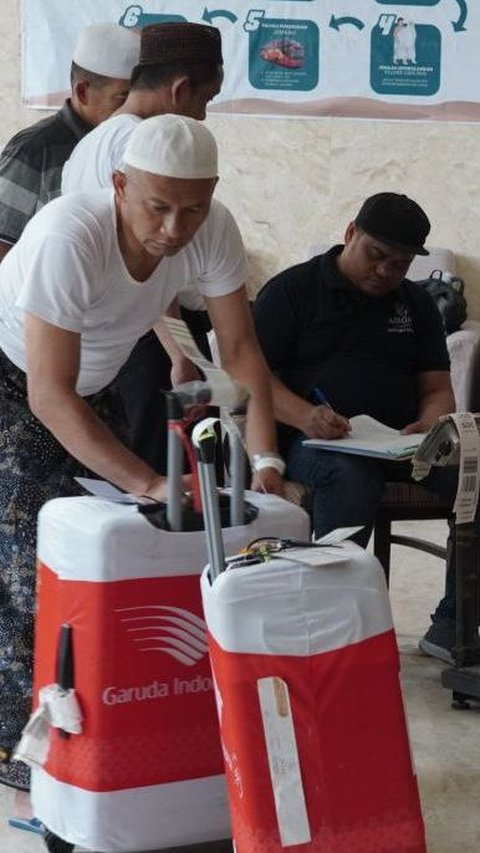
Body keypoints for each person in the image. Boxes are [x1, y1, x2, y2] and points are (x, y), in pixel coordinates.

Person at [0, 114, 282, 790]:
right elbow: (47, 394)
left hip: (85, 380)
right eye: (158, 206)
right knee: (24, 549)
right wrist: (153, 480)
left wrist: (267, 463)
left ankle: (94, 705)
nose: (175, 228)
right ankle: (20, 741)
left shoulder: (210, 228)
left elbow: (240, 352)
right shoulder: (70, 233)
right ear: (120, 185)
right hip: (17, 375)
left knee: (94, 547)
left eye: (193, 207)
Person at [253, 191, 472, 665]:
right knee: (351, 476)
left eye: (399, 264)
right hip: (313, 445)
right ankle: (329, 628)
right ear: (350, 233)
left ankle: (454, 625)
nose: (385, 271)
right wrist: (304, 415)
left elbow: (436, 386)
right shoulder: (292, 292)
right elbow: (250, 379)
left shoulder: (415, 304)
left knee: (473, 475)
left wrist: (431, 422)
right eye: (376, 255)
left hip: (402, 448)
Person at [62, 21, 225, 473]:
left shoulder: (89, 143)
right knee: (172, 482)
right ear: (180, 88)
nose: (203, 118)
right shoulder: (140, 146)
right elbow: (147, 266)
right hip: (153, 337)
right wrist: (183, 356)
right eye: (205, 100)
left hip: (119, 331)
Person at [0, 22, 141, 262]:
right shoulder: (35, 148)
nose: (132, 108)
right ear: (83, 92)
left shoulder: (131, 142)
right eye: (123, 96)